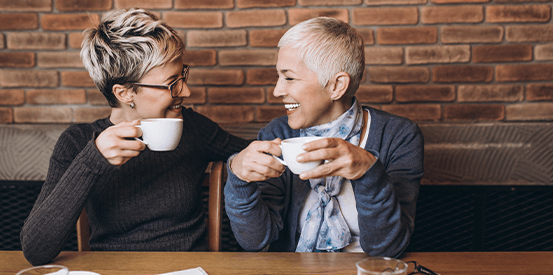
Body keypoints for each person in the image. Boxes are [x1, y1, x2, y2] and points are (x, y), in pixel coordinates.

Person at [20, 8, 250, 266]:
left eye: (182, 75)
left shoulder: (193, 127)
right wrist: (91, 160)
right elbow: (36, 250)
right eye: (172, 82)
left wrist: (238, 162)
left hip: (187, 269)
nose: (186, 89)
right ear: (124, 93)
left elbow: (251, 156)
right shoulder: (78, 142)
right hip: (112, 270)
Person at [224, 17, 423, 256]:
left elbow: (388, 248)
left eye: (289, 77)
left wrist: (369, 173)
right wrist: (238, 177)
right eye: (278, 76)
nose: (277, 91)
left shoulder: (399, 136)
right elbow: (256, 241)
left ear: (337, 86)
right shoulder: (277, 134)